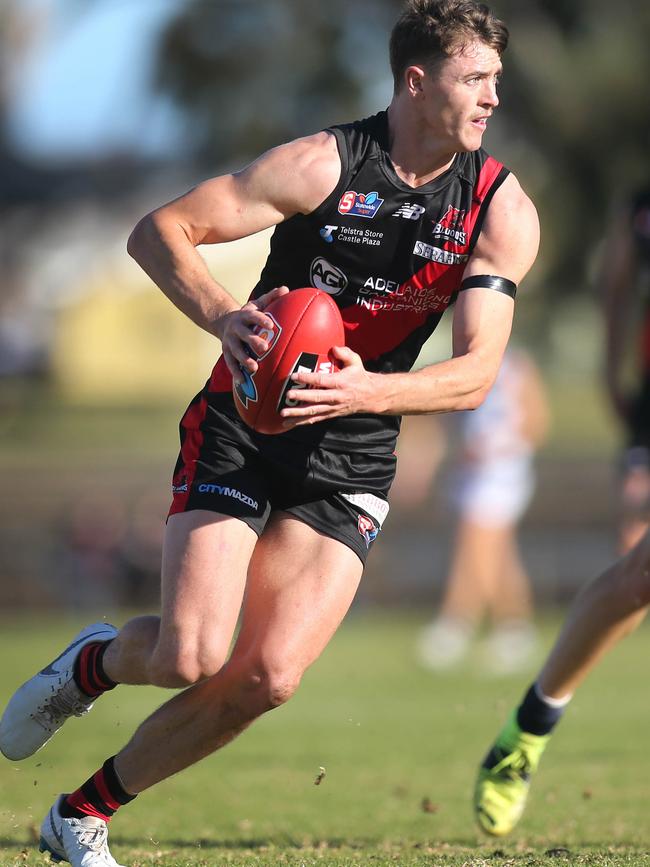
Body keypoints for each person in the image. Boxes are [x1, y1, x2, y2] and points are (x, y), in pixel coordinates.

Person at [0, 2, 540, 864]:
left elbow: (476, 372)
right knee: (191, 652)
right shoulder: (322, 164)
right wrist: (223, 316)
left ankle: (82, 813)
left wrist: (370, 389)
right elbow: (160, 231)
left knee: (266, 675)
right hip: (245, 424)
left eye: (496, 82)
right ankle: (91, 665)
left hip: (355, 446)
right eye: (476, 79)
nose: (492, 100)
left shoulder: (496, 209)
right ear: (416, 80)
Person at [473, 189, 650, 837]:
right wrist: (612, 371)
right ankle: (530, 727)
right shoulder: (639, 208)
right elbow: (617, 290)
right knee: (640, 573)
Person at [417, 348, 549, 672]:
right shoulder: (469, 360)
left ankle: (456, 622)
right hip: (471, 471)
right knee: (497, 553)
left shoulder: (517, 365)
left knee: (474, 545)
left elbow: (536, 422)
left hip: (501, 470)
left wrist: (497, 447)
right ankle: (514, 628)